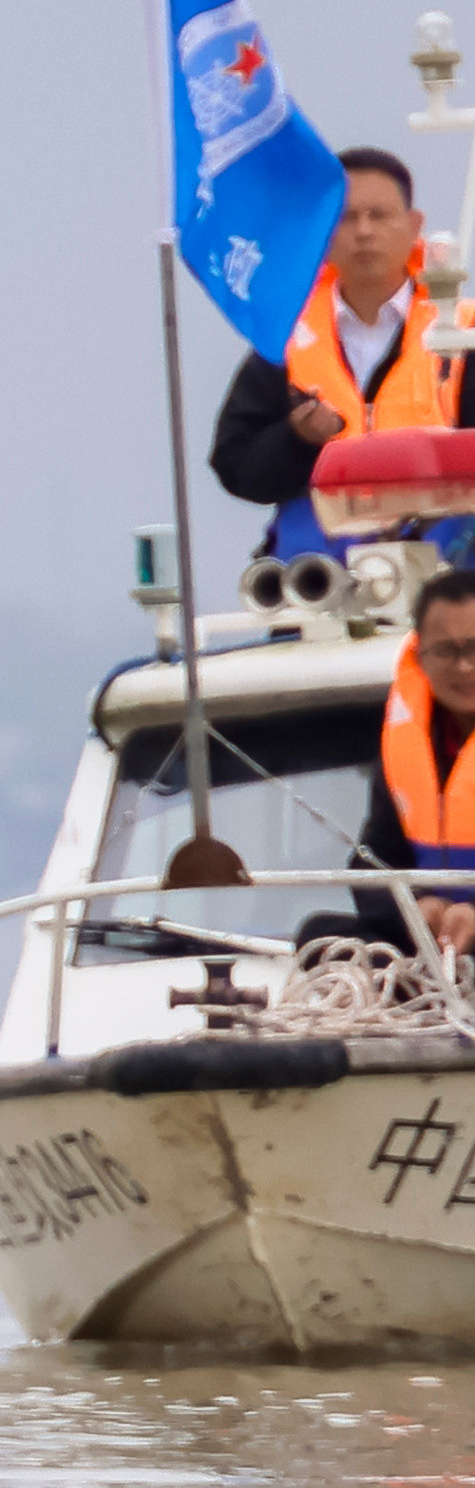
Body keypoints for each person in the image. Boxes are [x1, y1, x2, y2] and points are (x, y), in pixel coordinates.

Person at [213, 149, 466, 556]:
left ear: (413, 225)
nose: (363, 231)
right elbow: (235, 466)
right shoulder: (286, 340)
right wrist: (296, 439)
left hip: (444, 573)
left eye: (379, 215)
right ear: (323, 229)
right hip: (321, 581)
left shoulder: (463, 333)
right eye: (346, 217)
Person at [359, 568, 475, 953]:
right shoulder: (405, 746)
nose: (463, 667)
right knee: (322, 936)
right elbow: (372, 864)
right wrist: (415, 904)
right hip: (435, 949)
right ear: (420, 653)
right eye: (447, 651)